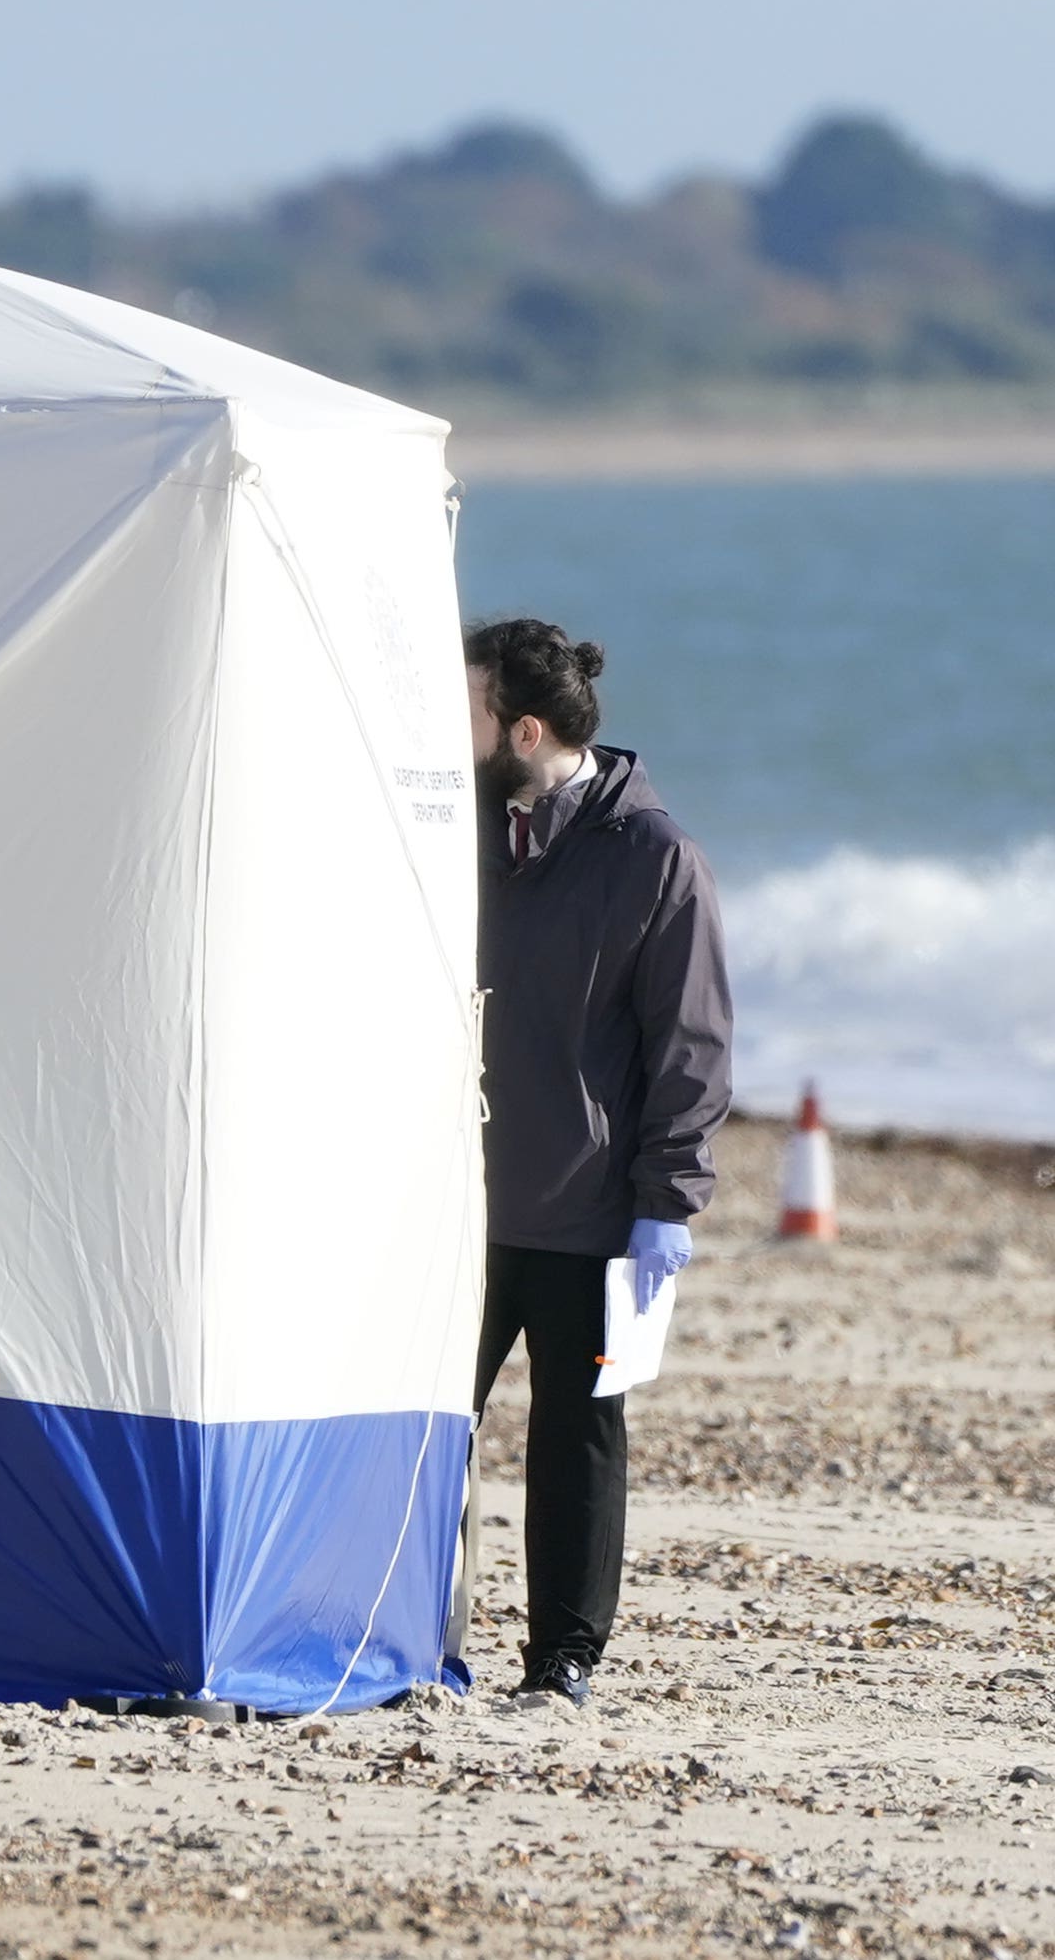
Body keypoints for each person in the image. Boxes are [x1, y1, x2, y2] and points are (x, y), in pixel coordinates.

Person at [465, 618, 732, 1705]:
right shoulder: (450, 829)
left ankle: (560, 1663)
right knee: (419, 1435)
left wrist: (667, 1203)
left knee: (578, 1443)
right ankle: (387, 1640)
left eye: (468, 706)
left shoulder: (655, 857)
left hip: (592, 1216)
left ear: (524, 730)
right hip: (450, 1208)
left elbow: (691, 1044)